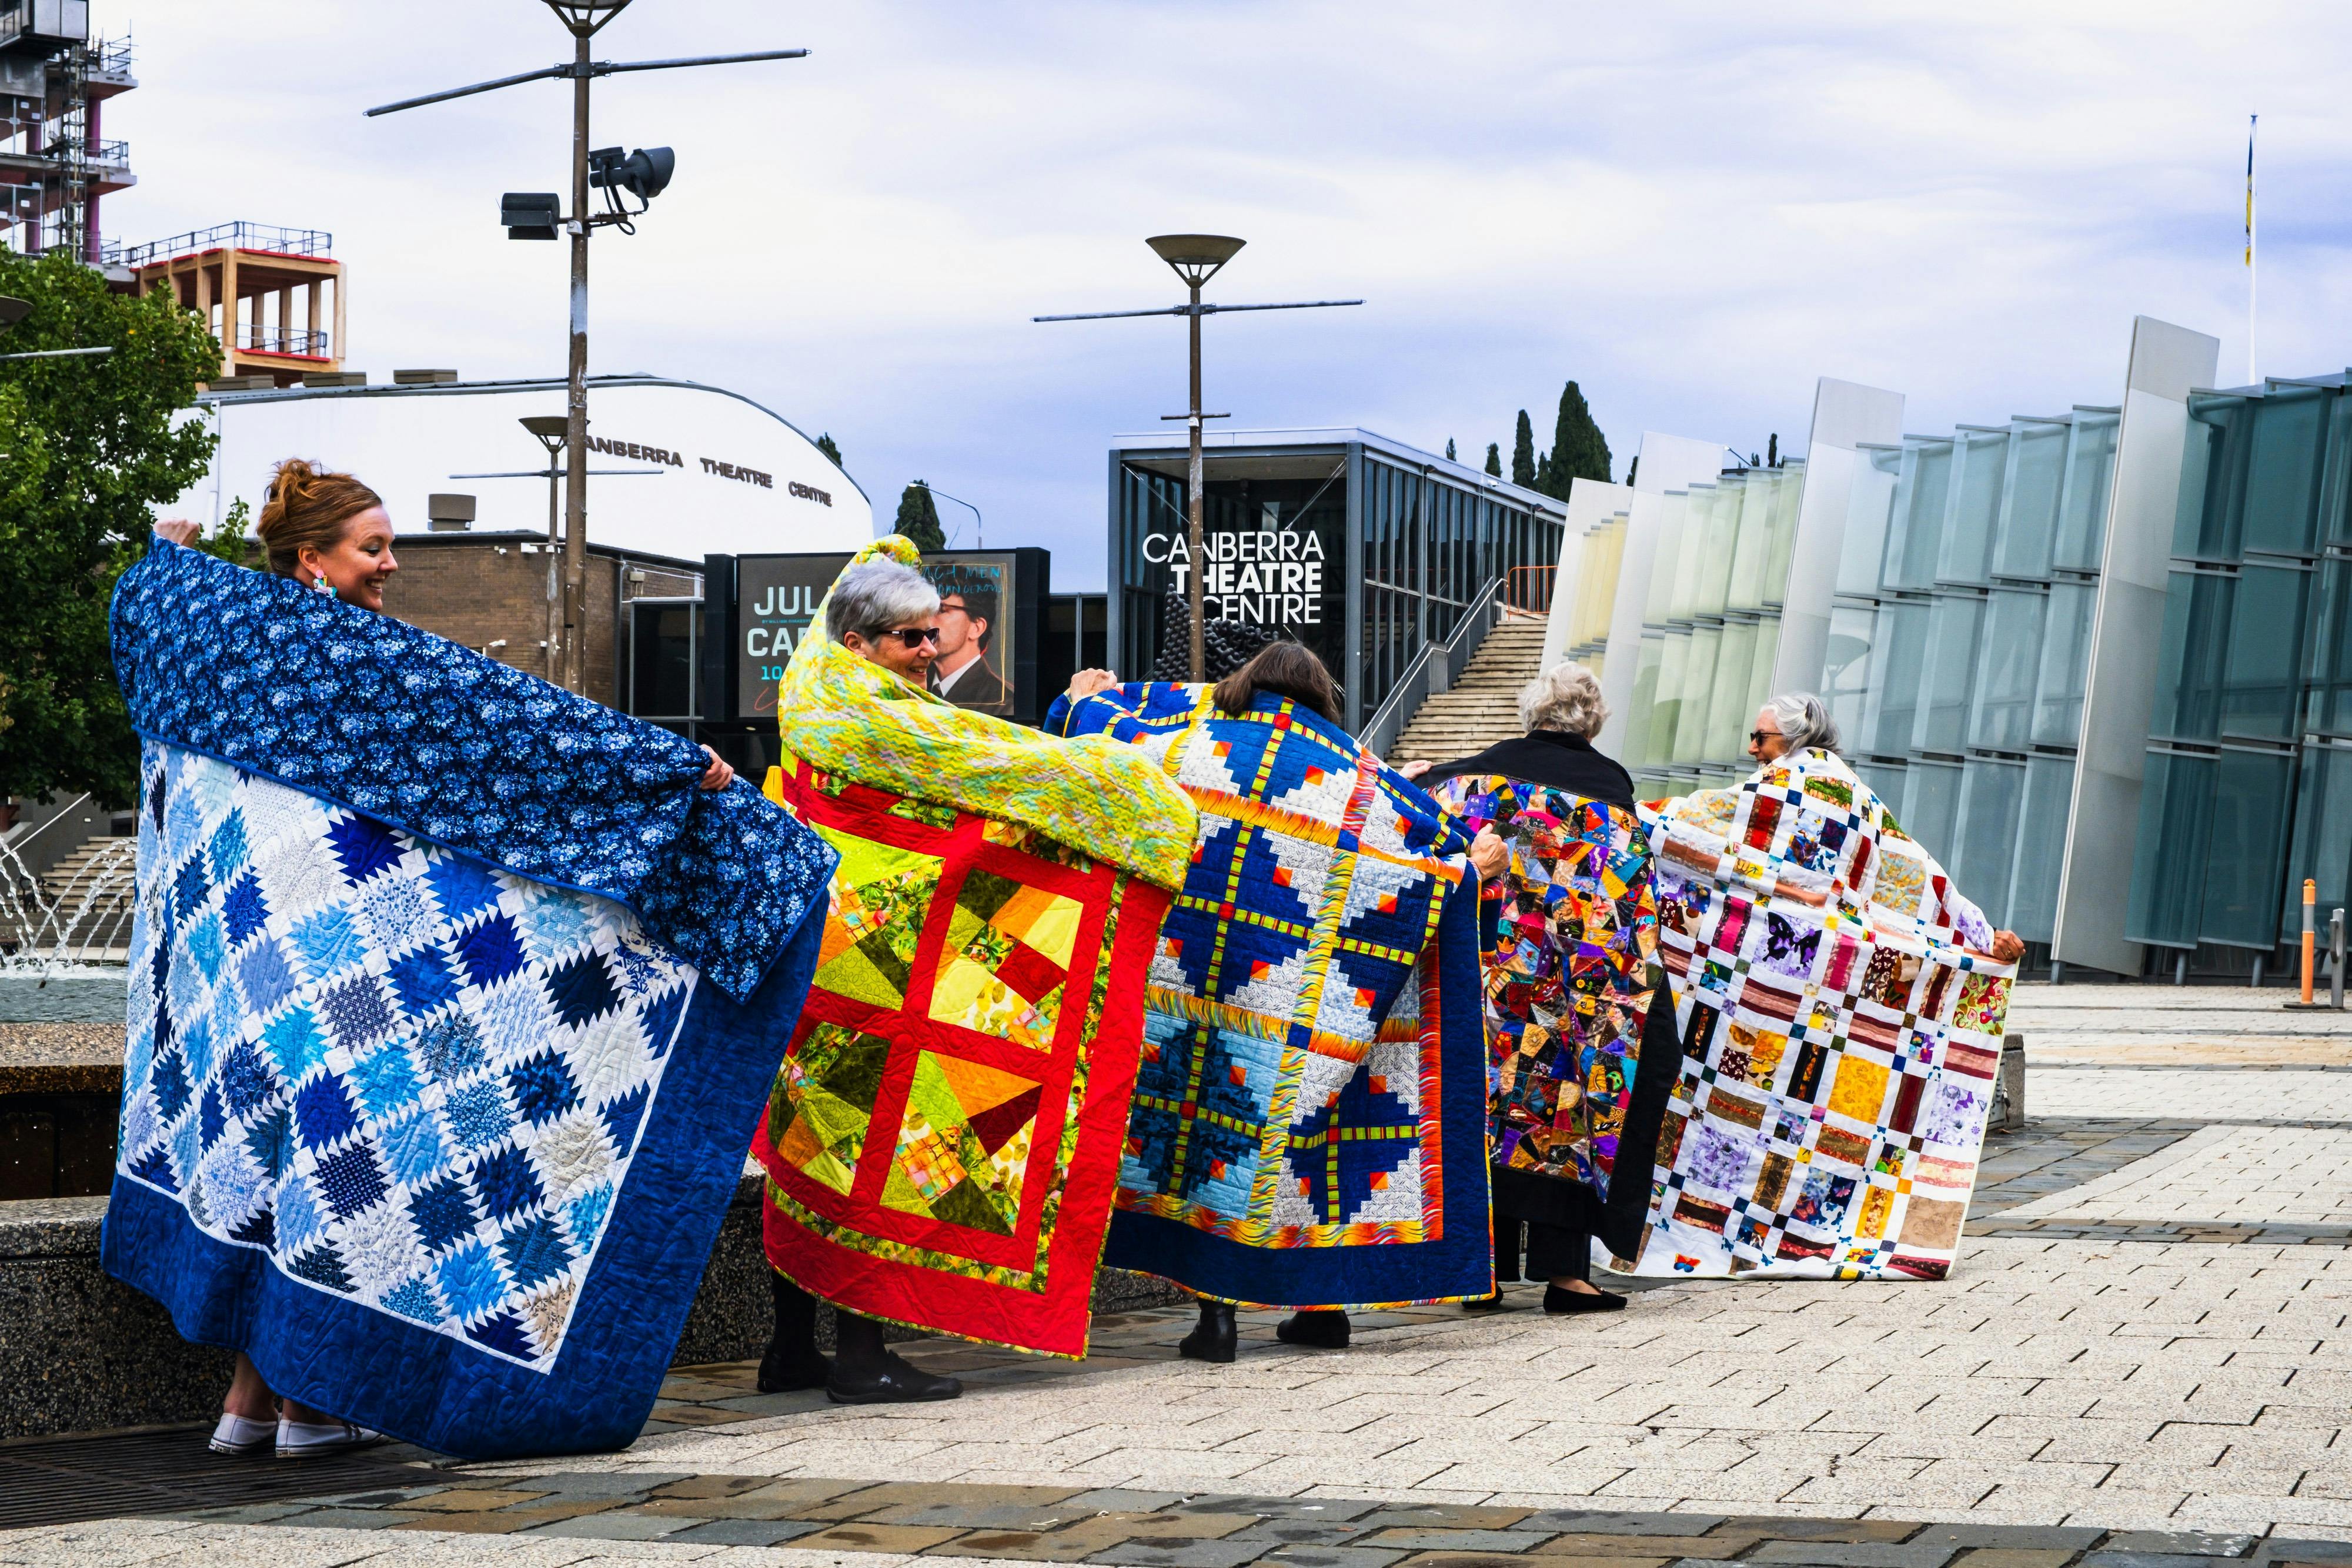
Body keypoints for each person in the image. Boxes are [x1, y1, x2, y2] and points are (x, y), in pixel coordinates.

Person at [154, 459, 734, 1458]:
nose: (391, 565)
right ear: (312, 559)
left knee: (291, 1167)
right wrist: (673, 766)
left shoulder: (234, 644)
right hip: (344, 961)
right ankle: (308, 1407)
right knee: (358, 1174)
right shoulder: (365, 658)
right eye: (372, 549)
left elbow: (152, 621)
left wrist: (168, 558)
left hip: (259, 966)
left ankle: (249, 1404)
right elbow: (521, 730)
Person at [1054, 644, 1501, 1360]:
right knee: (1318, 1129)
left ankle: (1216, 1321)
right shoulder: (1353, 775)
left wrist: (1083, 700)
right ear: (1321, 697)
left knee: (1204, 1140)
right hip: (1302, 997)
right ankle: (1323, 1311)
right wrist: (1467, 873)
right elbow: (1420, 858)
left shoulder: (1188, 743)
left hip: (1190, 984)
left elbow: (1105, 750)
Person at [1401, 663, 1673, 1316]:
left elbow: (1424, 831)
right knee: (1571, 1108)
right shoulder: (1608, 791)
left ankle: (1482, 1275)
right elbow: (1628, 904)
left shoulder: (1470, 779)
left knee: (1491, 1107)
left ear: (1531, 716)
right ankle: (1565, 1278)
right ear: (1593, 723)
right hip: (1575, 991)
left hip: (1494, 985)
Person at [1745, 694, 2024, 965]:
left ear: (1796, 737)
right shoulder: (1839, 791)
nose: (1752, 748)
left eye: (1760, 737)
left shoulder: (1839, 793)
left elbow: (1910, 871)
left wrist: (1984, 936)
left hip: (1803, 946)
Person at [926, 572, 1004, 708]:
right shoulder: (912, 683)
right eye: (926, 611)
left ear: (976, 628)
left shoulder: (1003, 703)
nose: (927, 622)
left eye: (941, 610)